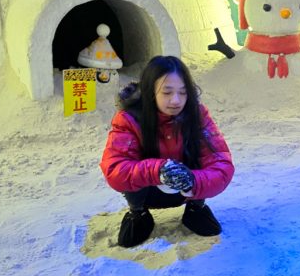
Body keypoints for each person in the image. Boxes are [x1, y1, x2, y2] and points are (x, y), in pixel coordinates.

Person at [99, 55, 234, 247]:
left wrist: (193, 181)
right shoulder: (129, 119)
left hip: (187, 190)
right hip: (148, 191)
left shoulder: (197, 115)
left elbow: (221, 163)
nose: (176, 100)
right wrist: (157, 171)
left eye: (183, 92)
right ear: (150, 92)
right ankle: (138, 214)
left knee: (198, 156)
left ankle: (196, 209)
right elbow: (115, 168)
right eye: (167, 92)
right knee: (133, 177)